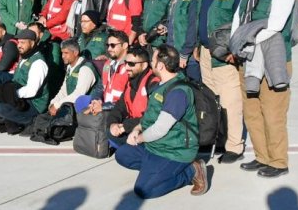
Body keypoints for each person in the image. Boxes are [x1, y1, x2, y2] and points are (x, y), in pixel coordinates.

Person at [232, 0, 296, 178]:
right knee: (252, 111)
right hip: (248, 57)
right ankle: (262, 157)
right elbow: (239, 18)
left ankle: (279, 162)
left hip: (272, 59)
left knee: (273, 112)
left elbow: (275, 25)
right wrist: (236, 43)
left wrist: (246, 40)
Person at [115, 44, 207, 198]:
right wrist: (137, 129)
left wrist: (140, 138)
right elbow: (150, 116)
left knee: (144, 190)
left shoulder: (178, 92)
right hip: (156, 146)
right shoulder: (161, 85)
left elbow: (160, 129)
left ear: (161, 66)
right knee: (122, 154)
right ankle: (156, 170)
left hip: (174, 151)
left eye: (152, 59)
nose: (151, 62)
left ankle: (191, 171)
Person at [196, 0, 244, 163]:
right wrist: (199, 45)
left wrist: (235, 51)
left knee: (230, 102)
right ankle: (219, 140)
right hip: (206, 53)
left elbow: (241, 23)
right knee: (212, 102)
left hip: (225, 55)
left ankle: (234, 146)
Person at [0, 29, 50, 132]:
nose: (19, 45)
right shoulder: (25, 57)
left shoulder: (38, 63)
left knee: (0, 109)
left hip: (34, 104)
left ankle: (31, 121)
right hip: (21, 98)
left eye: (23, 42)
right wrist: (1, 95)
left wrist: (8, 96)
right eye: (18, 42)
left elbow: (31, 90)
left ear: (32, 43)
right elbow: (16, 80)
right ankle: (14, 122)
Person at [106, 46, 159, 146]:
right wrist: (113, 124)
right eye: (126, 63)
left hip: (147, 130)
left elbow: (152, 117)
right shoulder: (131, 82)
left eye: (131, 64)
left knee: (123, 154)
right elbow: (119, 107)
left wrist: (125, 127)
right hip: (132, 127)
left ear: (144, 65)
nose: (126, 67)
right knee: (109, 130)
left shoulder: (153, 84)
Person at [166, 0, 204, 81]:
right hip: (174, 49)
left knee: (193, 87)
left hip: (187, 55)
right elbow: (175, 20)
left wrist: (185, 53)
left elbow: (193, 25)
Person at [79, 30, 130, 114]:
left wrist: (103, 106)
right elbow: (101, 86)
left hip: (120, 114)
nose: (109, 49)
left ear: (125, 46)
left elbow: (128, 100)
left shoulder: (131, 67)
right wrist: (96, 100)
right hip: (105, 111)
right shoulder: (108, 64)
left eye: (113, 45)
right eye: (108, 45)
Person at [47, 39, 98, 118]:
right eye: (62, 53)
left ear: (75, 53)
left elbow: (79, 94)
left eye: (66, 53)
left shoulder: (85, 68)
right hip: (71, 108)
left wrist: (57, 105)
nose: (63, 56)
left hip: (86, 113)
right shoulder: (69, 67)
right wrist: (53, 103)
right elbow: (64, 90)